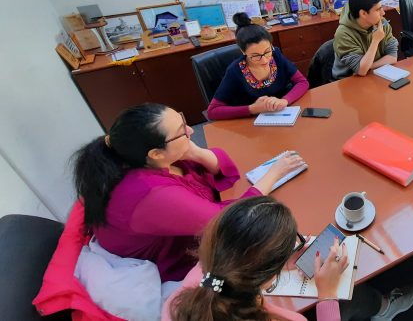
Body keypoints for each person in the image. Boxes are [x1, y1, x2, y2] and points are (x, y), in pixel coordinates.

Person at [72, 103, 306, 281]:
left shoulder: (150, 159)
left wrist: (194, 152)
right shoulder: (150, 194)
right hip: (179, 266)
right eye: (181, 131)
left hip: (193, 232)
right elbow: (229, 221)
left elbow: (222, 170)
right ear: (155, 153)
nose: (191, 131)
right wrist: (274, 174)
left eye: (183, 122)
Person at [165, 196, 413, 321]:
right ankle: (382, 307)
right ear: (271, 274)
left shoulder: (186, 294)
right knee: (353, 296)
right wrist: (327, 295)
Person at [207, 13, 309, 120]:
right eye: (256, 56)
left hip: (281, 115)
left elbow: (302, 82)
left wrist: (285, 100)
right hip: (250, 124)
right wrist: (253, 108)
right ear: (243, 51)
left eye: (267, 51)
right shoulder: (235, 70)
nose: (265, 60)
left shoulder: (276, 55)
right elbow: (212, 111)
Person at [332, 0, 399, 79]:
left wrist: (369, 66)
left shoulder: (381, 23)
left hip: (374, 74)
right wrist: (375, 40)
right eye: (378, 9)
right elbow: (361, 70)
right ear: (363, 13)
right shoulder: (343, 34)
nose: (383, 13)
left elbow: (392, 57)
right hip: (348, 81)